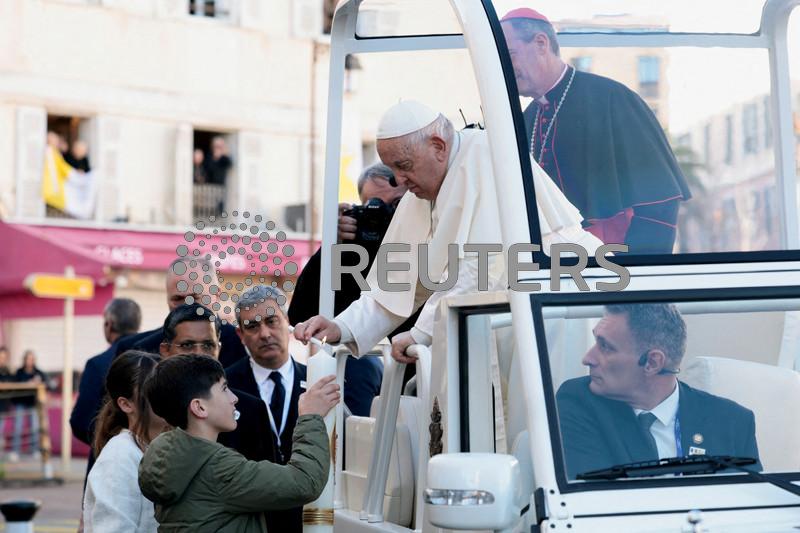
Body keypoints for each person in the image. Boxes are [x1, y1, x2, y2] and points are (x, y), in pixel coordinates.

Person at [294, 100, 602, 362]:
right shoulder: (421, 187)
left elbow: (483, 269)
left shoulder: (486, 158)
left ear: (438, 147)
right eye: (393, 169)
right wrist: (340, 327)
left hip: (556, 309)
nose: (399, 180)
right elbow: (397, 280)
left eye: (403, 166)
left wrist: (419, 333)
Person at [500, 8, 691, 254]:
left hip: (610, 270)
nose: (506, 67)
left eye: (511, 55)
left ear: (540, 43)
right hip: (550, 272)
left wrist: (634, 270)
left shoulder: (612, 100)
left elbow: (659, 203)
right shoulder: (526, 120)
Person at [556, 304, 761, 480]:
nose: (588, 358)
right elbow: (596, 499)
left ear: (652, 362)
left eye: (605, 347)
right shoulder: (577, 401)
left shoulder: (733, 422)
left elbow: (752, 509)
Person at [138, 354, 339, 532]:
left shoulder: (165, 454)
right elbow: (304, 482)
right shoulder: (218, 469)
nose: (234, 398)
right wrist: (311, 416)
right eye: (224, 389)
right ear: (199, 407)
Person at [288, 163, 402, 416]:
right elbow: (301, 314)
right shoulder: (355, 249)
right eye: (374, 206)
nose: (383, 214)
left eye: (395, 204)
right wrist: (332, 244)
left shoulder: (429, 239)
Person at [157, 303, 276, 465]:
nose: (199, 354)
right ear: (165, 350)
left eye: (208, 345)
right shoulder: (148, 409)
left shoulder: (251, 410)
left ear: (218, 348)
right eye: (187, 345)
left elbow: (268, 484)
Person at [83, 351, 166, 533]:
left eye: (167, 387)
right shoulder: (119, 455)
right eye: (154, 388)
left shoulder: (157, 447)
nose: (165, 395)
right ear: (126, 404)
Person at [115, 257, 247, 368]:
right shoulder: (140, 352)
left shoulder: (244, 346)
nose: (187, 306)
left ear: (216, 295)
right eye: (177, 299)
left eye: (194, 298)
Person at [71, 298, 142, 476]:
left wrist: (107, 442)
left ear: (109, 325)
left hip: (105, 465)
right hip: (148, 461)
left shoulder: (98, 364)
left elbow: (80, 422)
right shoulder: (153, 358)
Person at [12, 350, 53, 456]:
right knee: (18, 427)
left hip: (33, 404)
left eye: (31, 359)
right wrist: (27, 384)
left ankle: (34, 450)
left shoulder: (38, 372)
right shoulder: (19, 372)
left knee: (35, 427)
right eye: (27, 359)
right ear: (24, 360)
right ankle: (15, 451)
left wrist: (39, 383)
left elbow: (48, 385)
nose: (29, 361)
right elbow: (14, 385)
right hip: (20, 403)